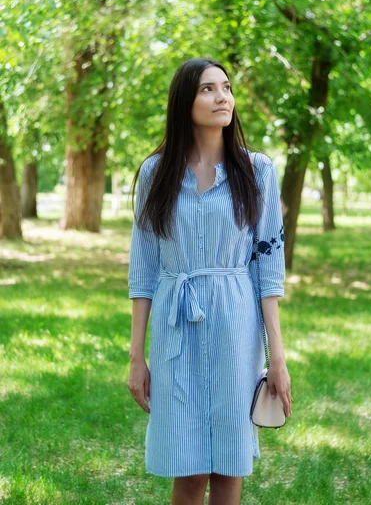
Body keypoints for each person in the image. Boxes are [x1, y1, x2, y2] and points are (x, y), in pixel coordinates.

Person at [127, 57, 292, 505]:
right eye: (207, 89)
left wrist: (277, 357)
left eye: (226, 87)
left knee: (228, 469)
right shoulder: (154, 174)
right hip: (174, 327)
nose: (222, 97)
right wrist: (136, 357)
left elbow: (268, 270)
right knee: (187, 468)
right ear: (185, 102)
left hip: (235, 325)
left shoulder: (257, 171)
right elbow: (143, 272)